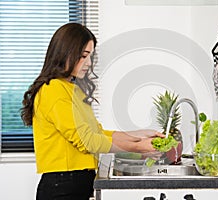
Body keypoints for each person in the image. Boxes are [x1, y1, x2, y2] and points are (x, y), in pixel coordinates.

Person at [20, 23, 163, 200]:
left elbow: (97, 132)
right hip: (62, 187)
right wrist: (137, 147)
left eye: (90, 56)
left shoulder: (72, 88)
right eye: (83, 56)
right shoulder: (54, 90)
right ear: (65, 53)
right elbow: (88, 141)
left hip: (74, 183)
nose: (89, 63)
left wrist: (139, 136)